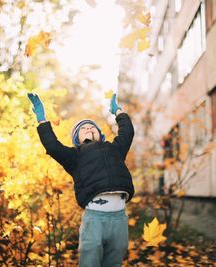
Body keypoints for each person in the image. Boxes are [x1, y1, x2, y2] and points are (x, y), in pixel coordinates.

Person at [27, 92, 135, 267]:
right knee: (89, 262)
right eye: (83, 128)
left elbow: (128, 132)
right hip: (94, 219)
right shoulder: (74, 156)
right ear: (76, 139)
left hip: (119, 219)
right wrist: (42, 119)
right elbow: (52, 146)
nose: (89, 128)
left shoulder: (115, 149)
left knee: (114, 263)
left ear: (100, 135)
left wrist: (118, 112)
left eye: (92, 127)